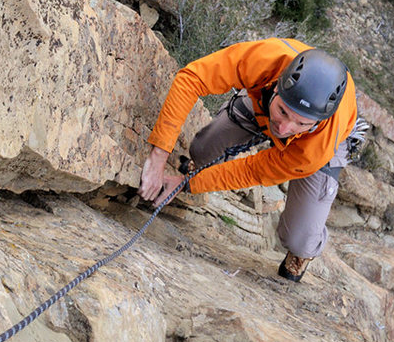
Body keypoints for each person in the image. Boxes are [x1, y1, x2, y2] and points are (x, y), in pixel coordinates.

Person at [138, 38, 365, 282]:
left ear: (317, 122)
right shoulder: (265, 59)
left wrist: (187, 184)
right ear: (278, 85)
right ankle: (206, 160)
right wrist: (159, 154)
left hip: (318, 147)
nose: (285, 127)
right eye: (284, 112)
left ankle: (304, 253)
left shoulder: (317, 146)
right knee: (202, 150)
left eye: (300, 123)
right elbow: (193, 78)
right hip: (262, 104)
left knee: (299, 239)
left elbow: (253, 171)